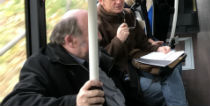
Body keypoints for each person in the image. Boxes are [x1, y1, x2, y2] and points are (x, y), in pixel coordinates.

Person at [1, 9, 130, 106]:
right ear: (70, 41)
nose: (100, 37)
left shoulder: (91, 55)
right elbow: (14, 102)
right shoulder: (42, 64)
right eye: (92, 32)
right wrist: (74, 102)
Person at [97, 0, 188, 106]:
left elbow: (142, 41)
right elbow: (101, 61)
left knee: (173, 67)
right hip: (124, 75)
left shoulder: (127, 14)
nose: (119, 2)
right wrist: (118, 41)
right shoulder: (95, 25)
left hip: (139, 62)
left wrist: (157, 49)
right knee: (170, 90)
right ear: (101, 1)